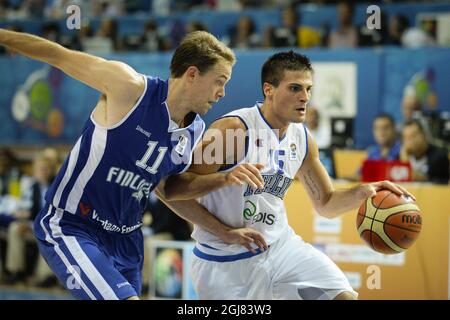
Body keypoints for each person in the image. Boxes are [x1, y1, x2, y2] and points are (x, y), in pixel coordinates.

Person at [0, 29, 267, 300]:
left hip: (127, 240)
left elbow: (169, 191)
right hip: (74, 226)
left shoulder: (193, 130)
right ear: (192, 74)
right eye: (219, 82)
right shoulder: (129, 88)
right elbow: (58, 55)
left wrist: (225, 224)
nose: (222, 93)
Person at [162, 51, 414, 300]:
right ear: (268, 89)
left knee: (343, 296)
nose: (304, 97)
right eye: (295, 88)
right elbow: (171, 190)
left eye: (308, 89)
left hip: (282, 249)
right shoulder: (233, 131)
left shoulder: (303, 138)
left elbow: (325, 203)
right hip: (224, 263)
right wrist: (224, 231)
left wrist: (362, 192)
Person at [400, 120, 449, 184]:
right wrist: (403, 161)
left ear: (423, 135)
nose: (410, 141)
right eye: (407, 138)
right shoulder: (401, 156)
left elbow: (441, 184)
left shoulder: (439, 157)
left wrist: (422, 179)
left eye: (413, 136)